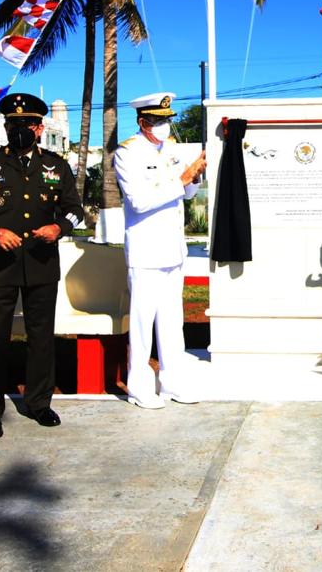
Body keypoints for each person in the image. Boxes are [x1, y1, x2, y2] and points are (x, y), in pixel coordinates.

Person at [0, 93, 84, 440]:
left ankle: (38, 402)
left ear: (40, 128)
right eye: (14, 123)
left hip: (41, 263)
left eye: (28, 123)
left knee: (41, 338)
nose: (21, 128)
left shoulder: (57, 166)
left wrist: (60, 227)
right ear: (6, 126)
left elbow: (75, 208)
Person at [113, 92, 207, 409]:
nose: (165, 125)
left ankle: (172, 383)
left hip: (173, 250)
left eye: (167, 120)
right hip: (146, 251)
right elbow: (139, 201)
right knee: (142, 324)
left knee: (171, 322)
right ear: (143, 122)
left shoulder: (172, 149)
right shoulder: (127, 153)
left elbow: (187, 193)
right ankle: (139, 387)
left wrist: (194, 176)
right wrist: (180, 180)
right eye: (158, 120)